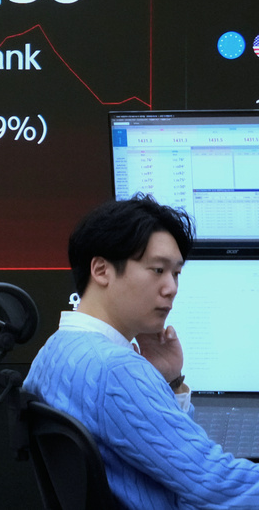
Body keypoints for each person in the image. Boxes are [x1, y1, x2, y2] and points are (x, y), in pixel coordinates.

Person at [23, 194, 259, 508]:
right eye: (157, 270)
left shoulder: (54, 352)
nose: (172, 287)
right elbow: (215, 484)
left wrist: (169, 382)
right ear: (101, 270)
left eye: (176, 273)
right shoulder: (115, 369)